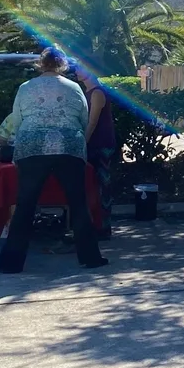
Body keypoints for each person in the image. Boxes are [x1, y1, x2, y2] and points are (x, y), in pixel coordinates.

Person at [0, 48, 106, 274]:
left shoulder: (26, 88)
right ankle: (91, 258)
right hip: (69, 147)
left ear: (40, 65)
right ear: (62, 66)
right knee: (78, 204)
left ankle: (11, 263)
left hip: (32, 147)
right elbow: (83, 120)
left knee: (25, 205)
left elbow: (17, 119)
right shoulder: (74, 88)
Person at [76, 65, 118, 238]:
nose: (77, 72)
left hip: (101, 145)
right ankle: (92, 225)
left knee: (102, 186)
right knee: (91, 186)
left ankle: (104, 227)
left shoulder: (97, 93)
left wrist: (82, 143)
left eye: (80, 69)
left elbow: (92, 123)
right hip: (92, 144)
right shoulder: (85, 92)